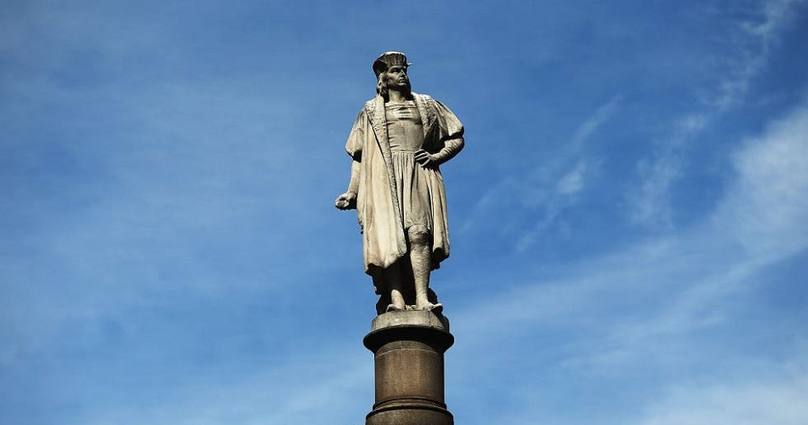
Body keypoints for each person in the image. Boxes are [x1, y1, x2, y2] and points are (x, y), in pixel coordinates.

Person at [335, 51, 464, 314]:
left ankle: (421, 296)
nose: (402, 74)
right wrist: (352, 191)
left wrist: (436, 156)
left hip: (418, 172)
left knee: (419, 233)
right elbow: (359, 157)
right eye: (395, 71)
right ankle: (396, 299)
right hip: (382, 178)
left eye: (404, 70)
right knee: (388, 238)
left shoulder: (426, 104)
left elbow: (456, 136)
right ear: (383, 78)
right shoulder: (370, 111)